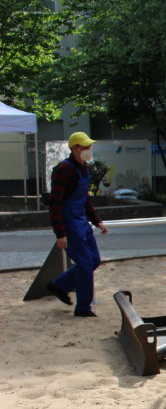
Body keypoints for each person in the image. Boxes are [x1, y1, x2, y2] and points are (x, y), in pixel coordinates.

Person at [46, 131, 109, 317]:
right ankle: (83, 307)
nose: (88, 149)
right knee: (84, 263)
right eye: (84, 146)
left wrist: (97, 221)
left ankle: (59, 285)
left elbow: (85, 200)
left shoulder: (85, 169)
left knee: (94, 260)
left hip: (82, 220)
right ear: (74, 148)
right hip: (69, 222)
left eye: (89, 146)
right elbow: (55, 203)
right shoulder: (64, 170)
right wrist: (60, 233)